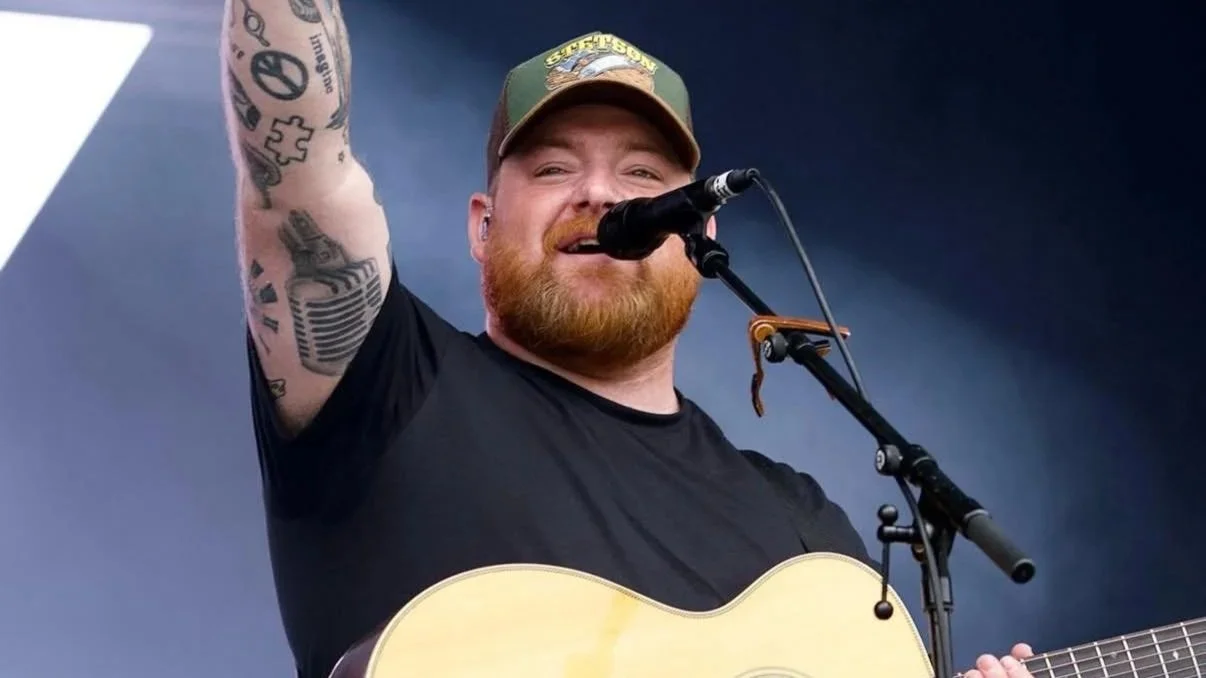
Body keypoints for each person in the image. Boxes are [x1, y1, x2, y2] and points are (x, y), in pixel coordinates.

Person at [220, 2, 1035, 677]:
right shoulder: (389, 386)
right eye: (552, 168)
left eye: (643, 174)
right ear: (482, 227)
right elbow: (298, 172)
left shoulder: (802, 529)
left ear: (699, 233)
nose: (601, 194)